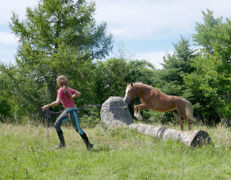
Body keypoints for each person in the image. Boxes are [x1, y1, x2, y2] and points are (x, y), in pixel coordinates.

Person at [42, 75, 93, 150]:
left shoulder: (61, 90)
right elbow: (78, 93)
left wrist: (48, 105)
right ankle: (62, 145)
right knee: (57, 125)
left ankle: (88, 144)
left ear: (58, 83)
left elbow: (57, 102)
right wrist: (71, 96)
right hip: (67, 111)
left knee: (77, 129)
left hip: (72, 111)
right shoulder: (68, 89)